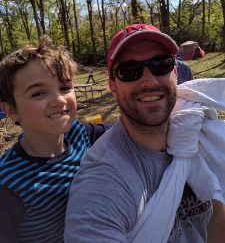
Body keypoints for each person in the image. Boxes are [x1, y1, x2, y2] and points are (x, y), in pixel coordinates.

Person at [64, 24, 225, 242]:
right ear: (112, 86)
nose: (149, 81)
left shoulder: (199, 128)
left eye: (161, 64)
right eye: (129, 71)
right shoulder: (103, 181)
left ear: (175, 72)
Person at [0, 36, 111, 243]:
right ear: (12, 110)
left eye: (64, 88)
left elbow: (125, 129)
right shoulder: (8, 184)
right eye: (39, 93)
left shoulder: (79, 134)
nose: (59, 100)